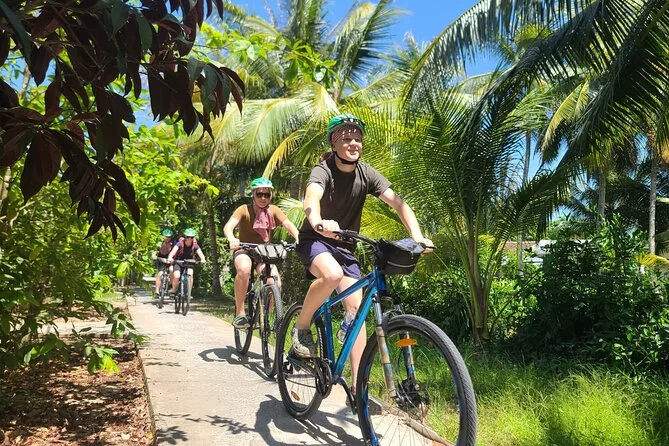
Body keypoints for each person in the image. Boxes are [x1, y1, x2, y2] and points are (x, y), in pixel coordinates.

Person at [293, 113, 433, 393]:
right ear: (333, 143)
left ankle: (358, 391)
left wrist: (417, 237)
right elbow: (312, 197)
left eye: (358, 138)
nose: (353, 143)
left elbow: (399, 204)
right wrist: (319, 222)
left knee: (356, 312)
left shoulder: (366, 173)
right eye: (346, 138)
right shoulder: (323, 169)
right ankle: (302, 328)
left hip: (345, 246)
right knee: (331, 275)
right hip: (316, 239)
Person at [223, 177, 300, 329]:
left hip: (264, 252)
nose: (263, 198)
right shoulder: (243, 209)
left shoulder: (274, 210)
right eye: (259, 194)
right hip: (244, 249)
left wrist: (298, 238)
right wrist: (232, 238)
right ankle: (240, 313)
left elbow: (288, 224)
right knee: (244, 269)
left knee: (275, 281)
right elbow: (228, 226)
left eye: (267, 194)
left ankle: (266, 317)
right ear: (253, 194)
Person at [167, 228, 206, 296]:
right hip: (178, 262)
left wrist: (203, 259)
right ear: (185, 237)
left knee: (190, 274)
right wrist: (170, 257)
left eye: (191, 237)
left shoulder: (195, 245)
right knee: (176, 276)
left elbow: (201, 254)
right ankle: (174, 290)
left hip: (189, 262)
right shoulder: (180, 243)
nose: (189, 239)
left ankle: (188, 292)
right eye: (188, 237)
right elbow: (173, 251)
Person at [151, 228, 175, 296]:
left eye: (169, 237)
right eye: (166, 236)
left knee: (171, 270)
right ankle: (157, 291)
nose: (167, 238)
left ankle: (171, 285)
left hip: (170, 260)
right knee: (160, 274)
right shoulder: (159, 243)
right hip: (161, 259)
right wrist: (154, 255)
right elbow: (154, 251)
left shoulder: (173, 243)